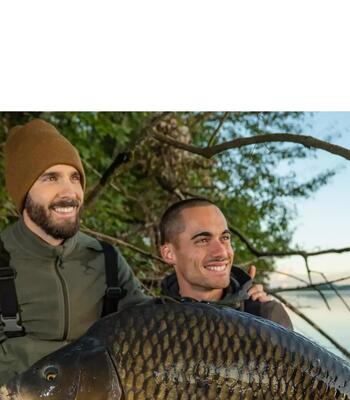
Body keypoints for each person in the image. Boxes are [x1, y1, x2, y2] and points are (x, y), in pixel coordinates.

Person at [0, 119, 151, 384]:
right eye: (51, 178)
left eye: (75, 178)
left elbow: (161, 331)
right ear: (24, 192)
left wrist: (236, 292)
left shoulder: (108, 260)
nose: (70, 192)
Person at [159, 198, 293, 329]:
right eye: (203, 240)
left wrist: (255, 309)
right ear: (169, 254)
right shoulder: (154, 318)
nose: (221, 252)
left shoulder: (266, 318)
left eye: (225, 238)